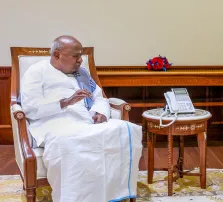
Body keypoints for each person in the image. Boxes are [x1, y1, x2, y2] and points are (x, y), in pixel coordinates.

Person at [21, 35, 143, 202]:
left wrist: (100, 112)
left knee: (125, 129)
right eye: (75, 56)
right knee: (68, 141)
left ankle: (112, 194)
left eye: (81, 55)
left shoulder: (82, 74)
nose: (80, 60)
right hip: (53, 122)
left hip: (86, 121)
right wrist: (66, 102)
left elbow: (100, 98)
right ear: (57, 55)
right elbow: (30, 108)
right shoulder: (36, 72)